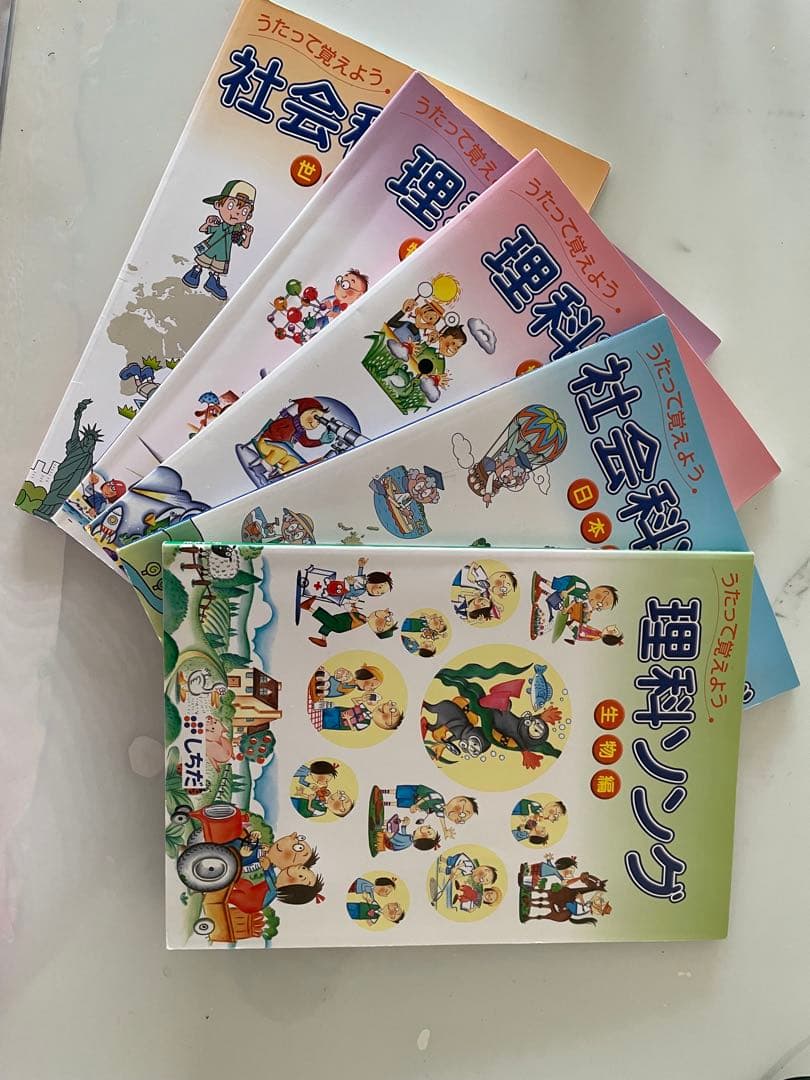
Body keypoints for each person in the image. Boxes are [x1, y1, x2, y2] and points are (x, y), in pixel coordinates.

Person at [181, 180, 255, 301]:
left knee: (217, 270)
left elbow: (245, 245)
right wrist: (207, 223)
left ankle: (213, 282)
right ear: (218, 205)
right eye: (231, 206)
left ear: (249, 216)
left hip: (222, 256)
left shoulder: (236, 232)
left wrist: (248, 235)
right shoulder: (219, 226)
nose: (236, 213)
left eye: (244, 211)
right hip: (209, 250)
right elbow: (203, 229)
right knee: (201, 263)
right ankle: (195, 273)